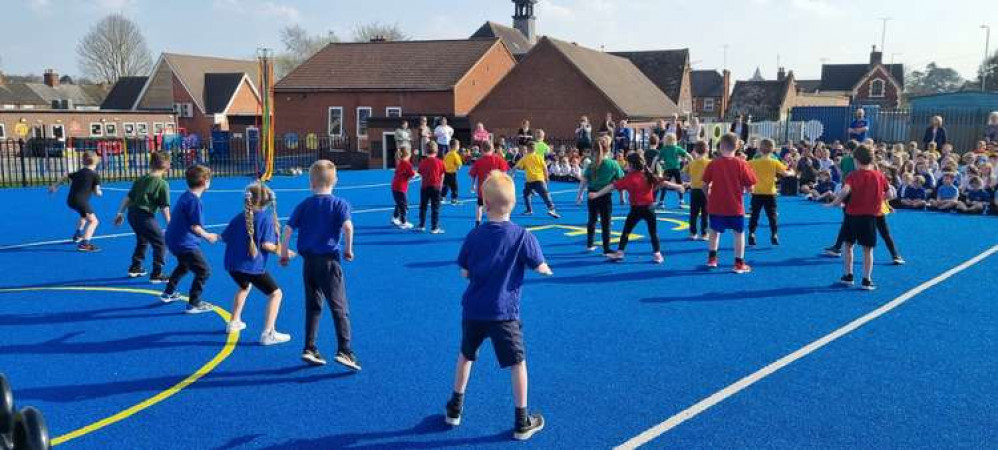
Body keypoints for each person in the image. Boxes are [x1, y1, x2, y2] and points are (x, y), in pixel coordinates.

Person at [445, 170, 551, 441]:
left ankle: (455, 407)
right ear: (513, 204)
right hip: (504, 313)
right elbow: (539, 265)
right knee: (517, 364)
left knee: (466, 355)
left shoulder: (474, 235)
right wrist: (544, 268)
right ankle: (521, 419)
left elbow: (464, 272)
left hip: (474, 310)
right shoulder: (522, 236)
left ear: (485, 203)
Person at [280, 160, 360, 371]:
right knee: (339, 305)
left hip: (309, 264)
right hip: (329, 262)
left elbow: (287, 229)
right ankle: (345, 349)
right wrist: (348, 249)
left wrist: (283, 252)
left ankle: (309, 346)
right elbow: (348, 227)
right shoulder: (339, 204)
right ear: (334, 181)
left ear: (311, 183)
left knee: (313, 305)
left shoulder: (304, 204)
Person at [221, 183, 293, 345]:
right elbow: (267, 245)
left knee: (245, 287)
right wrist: (282, 252)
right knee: (276, 294)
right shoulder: (265, 219)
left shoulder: (240, 217)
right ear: (268, 202)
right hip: (251, 267)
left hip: (232, 265)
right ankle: (268, 333)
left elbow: (224, 237)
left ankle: (234, 322)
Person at [589, 152, 684, 264]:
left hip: (636, 210)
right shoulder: (647, 175)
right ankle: (657, 254)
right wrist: (678, 186)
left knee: (626, 231)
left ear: (632, 165)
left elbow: (611, 187)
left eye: (627, 164)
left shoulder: (629, 178)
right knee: (653, 232)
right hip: (649, 209)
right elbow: (665, 183)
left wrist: (596, 194)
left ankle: (620, 252)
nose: (625, 166)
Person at [827, 145, 890, 290]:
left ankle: (848, 275)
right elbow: (891, 194)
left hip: (852, 216)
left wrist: (834, 203)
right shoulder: (879, 175)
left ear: (856, 160)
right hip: (870, 217)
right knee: (868, 250)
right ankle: (866, 279)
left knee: (848, 245)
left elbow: (844, 191)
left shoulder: (853, 176)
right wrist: (879, 200)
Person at [160, 165, 220, 314]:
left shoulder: (185, 195)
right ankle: (194, 303)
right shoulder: (194, 201)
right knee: (204, 271)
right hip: (184, 243)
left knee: (184, 266)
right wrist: (208, 236)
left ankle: (168, 293)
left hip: (174, 240)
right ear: (205, 181)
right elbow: (195, 227)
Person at [702, 133, 758, 273]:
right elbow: (750, 186)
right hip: (735, 206)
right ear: (737, 146)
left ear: (720, 146)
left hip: (716, 205)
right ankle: (739, 264)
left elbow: (704, 184)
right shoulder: (742, 164)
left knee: (714, 231)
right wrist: (748, 192)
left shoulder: (713, 163)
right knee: (739, 233)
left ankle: (712, 259)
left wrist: (709, 197)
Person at [113, 151, 172, 282]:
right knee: (161, 242)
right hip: (144, 216)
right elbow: (164, 207)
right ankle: (157, 273)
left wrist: (120, 213)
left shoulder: (141, 179)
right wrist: (170, 224)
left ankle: (135, 267)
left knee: (143, 239)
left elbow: (128, 197)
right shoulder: (162, 184)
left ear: (151, 164)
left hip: (132, 214)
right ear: (167, 166)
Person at [577, 136, 624, 255]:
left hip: (592, 194)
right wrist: (622, 196)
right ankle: (606, 248)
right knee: (606, 222)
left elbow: (584, 180)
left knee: (592, 220)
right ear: (608, 149)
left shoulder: (591, 164)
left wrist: (579, 195)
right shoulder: (613, 164)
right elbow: (620, 181)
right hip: (605, 196)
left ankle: (589, 244)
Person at [49, 150, 103, 252]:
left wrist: (54, 186)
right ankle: (85, 244)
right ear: (96, 162)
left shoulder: (79, 172)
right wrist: (100, 193)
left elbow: (65, 176)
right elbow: (97, 193)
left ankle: (78, 234)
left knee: (83, 215)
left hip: (71, 200)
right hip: (81, 201)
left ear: (83, 161)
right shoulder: (95, 175)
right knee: (94, 221)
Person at [747, 139, 794, 247]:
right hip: (770, 192)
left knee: (754, 214)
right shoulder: (774, 162)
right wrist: (791, 171)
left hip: (757, 192)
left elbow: (743, 167)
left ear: (760, 149)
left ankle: (752, 233)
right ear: (772, 149)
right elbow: (786, 173)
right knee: (772, 215)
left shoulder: (753, 162)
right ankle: (774, 234)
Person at [512, 141, 561, 219]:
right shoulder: (539, 157)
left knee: (526, 195)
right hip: (539, 179)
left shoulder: (525, 158)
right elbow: (545, 168)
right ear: (535, 149)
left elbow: (517, 167)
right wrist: (546, 177)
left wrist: (512, 175)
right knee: (545, 194)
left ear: (527, 149)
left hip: (529, 180)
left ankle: (529, 210)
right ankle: (552, 209)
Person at [469, 141, 510, 227]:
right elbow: (505, 173)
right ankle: (499, 221)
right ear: (493, 149)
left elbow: (473, 175)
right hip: (497, 188)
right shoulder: (499, 160)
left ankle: (478, 222)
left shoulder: (478, 162)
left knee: (479, 205)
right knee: (497, 205)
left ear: (481, 150)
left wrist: (472, 185)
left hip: (483, 189)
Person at [684, 141, 711, 240]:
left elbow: (684, 172)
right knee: (705, 213)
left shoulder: (692, 163)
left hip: (694, 190)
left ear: (695, 150)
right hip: (705, 190)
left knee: (693, 213)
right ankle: (704, 233)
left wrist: (689, 181)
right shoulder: (709, 162)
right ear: (707, 150)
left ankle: (693, 233)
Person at [417, 142, 447, 234]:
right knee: (435, 207)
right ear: (437, 151)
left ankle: (421, 225)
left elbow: (420, 174)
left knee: (423, 206)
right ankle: (434, 228)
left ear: (426, 151)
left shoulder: (423, 162)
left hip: (425, 187)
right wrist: (441, 186)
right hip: (436, 187)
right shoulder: (440, 162)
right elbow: (442, 175)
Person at [658, 133, 689, 208]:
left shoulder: (664, 149)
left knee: (664, 184)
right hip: (676, 169)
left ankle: (661, 202)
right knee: (679, 184)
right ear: (675, 140)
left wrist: (661, 163)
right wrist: (691, 161)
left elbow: (658, 158)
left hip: (667, 169)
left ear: (665, 140)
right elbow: (687, 155)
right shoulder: (677, 148)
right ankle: (681, 201)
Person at [391, 147, 417, 230]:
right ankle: (403, 222)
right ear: (408, 155)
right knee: (404, 205)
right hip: (400, 187)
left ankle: (395, 218)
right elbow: (412, 174)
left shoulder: (400, 163)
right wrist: (417, 174)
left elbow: (404, 173)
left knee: (399, 203)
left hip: (395, 186)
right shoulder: (407, 164)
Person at [441, 139, 463, 205]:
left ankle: (442, 197)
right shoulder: (455, 155)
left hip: (446, 173)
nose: (459, 147)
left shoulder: (447, 154)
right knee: (455, 187)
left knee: (446, 185)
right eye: (458, 145)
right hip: (452, 173)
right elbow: (459, 165)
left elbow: (444, 162)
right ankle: (454, 199)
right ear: (455, 146)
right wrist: (458, 168)